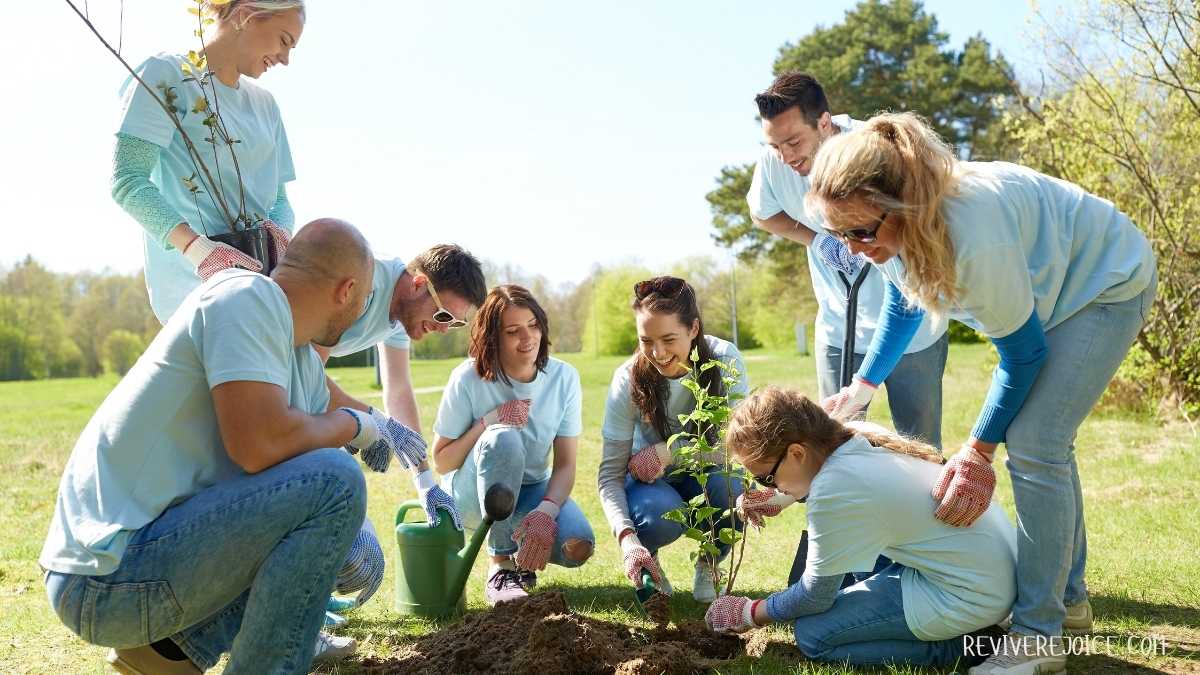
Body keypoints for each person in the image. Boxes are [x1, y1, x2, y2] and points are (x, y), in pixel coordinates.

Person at [807, 112, 1157, 675]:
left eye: (861, 233)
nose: (851, 249)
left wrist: (976, 453)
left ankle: (1040, 638)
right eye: (837, 234)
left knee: (1036, 443)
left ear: (901, 207)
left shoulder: (974, 232)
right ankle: (1067, 602)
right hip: (1057, 291)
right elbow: (905, 298)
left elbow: (1023, 356)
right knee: (1044, 445)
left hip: (1104, 284)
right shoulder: (896, 231)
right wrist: (863, 386)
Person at [38, 219, 454, 673]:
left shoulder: (291, 349)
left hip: (140, 567)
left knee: (329, 486)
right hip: (104, 579)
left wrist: (378, 428)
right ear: (346, 290)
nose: (361, 317)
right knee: (337, 481)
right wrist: (351, 427)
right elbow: (260, 445)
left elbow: (320, 425)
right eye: (364, 301)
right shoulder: (245, 298)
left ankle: (170, 652)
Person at [706, 387, 1017, 669]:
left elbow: (815, 596)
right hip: (987, 571)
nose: (769, 486)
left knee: (813, 634)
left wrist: (750, 611)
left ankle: (966, 645)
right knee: (844, 588)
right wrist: (778, 495)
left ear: (797, 453)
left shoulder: (834, 489)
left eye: (766, 478)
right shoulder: (853, 433)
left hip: (967, 594)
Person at [746, 72, 948, 448]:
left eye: (793, 142)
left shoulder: (874, 152)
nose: (786, 157)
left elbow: (916, 253)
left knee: (922, 447)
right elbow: (762, 214)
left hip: (913, 334)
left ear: (824, 123)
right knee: (835, 446)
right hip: (841, 328)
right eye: (775, 146)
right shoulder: (775, 162)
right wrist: (817, 239)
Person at [110, 0, 305, 323]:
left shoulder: (266, 106)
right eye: (284, 40)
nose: (285, 59)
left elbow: (280, 201)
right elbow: (128, 181)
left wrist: (280, 233)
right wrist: (202, 252)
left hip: (260, 291)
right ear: (246, 15)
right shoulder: (165, 76)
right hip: (196, 297)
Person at [431, 285, 593, 605]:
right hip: (471, 495)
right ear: (493, 337)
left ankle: (520, 560)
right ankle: (500, 566)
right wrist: (488, 421)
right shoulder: (467, 378)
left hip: (529, 487)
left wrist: (546, 512)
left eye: (533, 325)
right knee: (503, 437)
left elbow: (565, 465)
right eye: (513, 331)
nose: (528, 338)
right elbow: (442, 462)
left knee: (577, 546)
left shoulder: (564, 378)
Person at [597, 276, 749, 604]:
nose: (658, 352)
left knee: (734, 492)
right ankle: (648, 562)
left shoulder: (723, 359)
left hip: (706, 475)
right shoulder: (627, 379)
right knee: (658, 515)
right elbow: (609, 476)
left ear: (693, 329)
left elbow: (736, 445)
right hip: (649, 487)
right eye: (646, 341)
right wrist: (628, 541)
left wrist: (669, 451)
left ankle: (710, 562)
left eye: (668, 339)